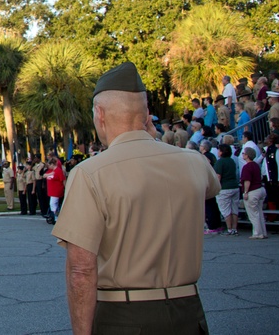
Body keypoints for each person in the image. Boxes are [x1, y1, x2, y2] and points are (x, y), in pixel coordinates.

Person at [51, 62, 219, 335]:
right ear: (147, 116)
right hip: (189, 312)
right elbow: (211, 188)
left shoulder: (90, 173)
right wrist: (154, 142)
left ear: (99, 114)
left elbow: (81, 270)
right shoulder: (194, 162)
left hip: (124, 315)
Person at [240, 147, 267, 240]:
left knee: (253, 214)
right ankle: (263, 232)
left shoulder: (247, 167)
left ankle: (257, 233)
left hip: (252, 191)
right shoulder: (256, 165)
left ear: (247, 155)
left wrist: (245, 192)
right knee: (259, 212)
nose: (242, 154)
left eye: (243, 153)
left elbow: (247, 181)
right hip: (260, 189)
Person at [44, 157, 65, 224]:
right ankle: (56, 217)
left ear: (52, 164)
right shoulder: (50, 171)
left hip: (56, 190)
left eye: (49, 165)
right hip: (51, 191)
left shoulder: (58, 171)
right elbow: (44, 175)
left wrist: (65, 188)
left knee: (52, 204)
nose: (48, 167)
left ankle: (57, 216)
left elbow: (63, 180)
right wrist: (50, 174)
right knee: (54, 204)